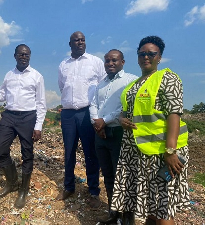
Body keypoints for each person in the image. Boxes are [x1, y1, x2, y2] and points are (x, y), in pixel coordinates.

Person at [111, 36, 190, 225]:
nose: (146, 57)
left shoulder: (167, 78)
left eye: (151, 54)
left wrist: (170, 151)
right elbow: (124, 112)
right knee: (150, 206)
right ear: (137, 57)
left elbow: (174, 114)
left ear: (159, 57)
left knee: (164, 209)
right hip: (137, 154)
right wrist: (121, 119)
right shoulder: (132, 86)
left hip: (161, 153)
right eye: (142, 54)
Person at [0, 44, 47, 209]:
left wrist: (38, 126)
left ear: (30, 56)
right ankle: (12, 183)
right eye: (20, 54)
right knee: (1, 150)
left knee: (27, 154)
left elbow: (41, 103)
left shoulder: (37, 76)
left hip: (28, 117)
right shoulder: (9, 75)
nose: (23, 57)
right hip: (9, 116)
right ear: (15, 56)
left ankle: (23, 190)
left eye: (26, 54)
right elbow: (0, 95)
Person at [57, 31, 106, 209]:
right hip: (69, 114)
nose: (80, 42)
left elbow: (102, 87)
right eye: (76, 40)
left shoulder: (95, 62)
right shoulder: (63, 64)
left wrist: (98, 114)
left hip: (88, 113)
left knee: (90, 153)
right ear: (70, 44)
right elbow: (62, 86)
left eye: (83, 40)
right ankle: (69, 187)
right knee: (69, 152)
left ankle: (93, 191)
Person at [89, 49, 138, 224]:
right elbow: (93, 105)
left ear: (122, 62)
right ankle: (113, 213)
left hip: (119, 134)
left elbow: (126, 108)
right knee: (108, 175)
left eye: (114, 60)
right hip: (100, 135)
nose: (110, 63)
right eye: (107, 60)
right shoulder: (100, 84)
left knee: (123, 177)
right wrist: (97, 123)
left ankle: (127, 218)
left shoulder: (130, 81)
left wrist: (105, 121)